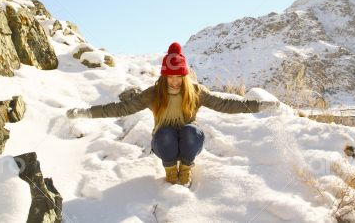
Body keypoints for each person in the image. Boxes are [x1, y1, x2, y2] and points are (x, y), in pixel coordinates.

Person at [66, 42, 279, 187]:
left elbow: (226, 104)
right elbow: (121, 108)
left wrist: (258, 106)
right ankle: (170, 172)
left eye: (179, 77)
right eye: (170, 77)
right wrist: (87, 112)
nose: (175, 81)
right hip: (164, 144)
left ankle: (186, 169)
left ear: (185, 76)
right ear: (164, 76)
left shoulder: (195, 91)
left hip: (189, 143)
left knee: (190, 131)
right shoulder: (154, 94)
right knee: (166, 132)